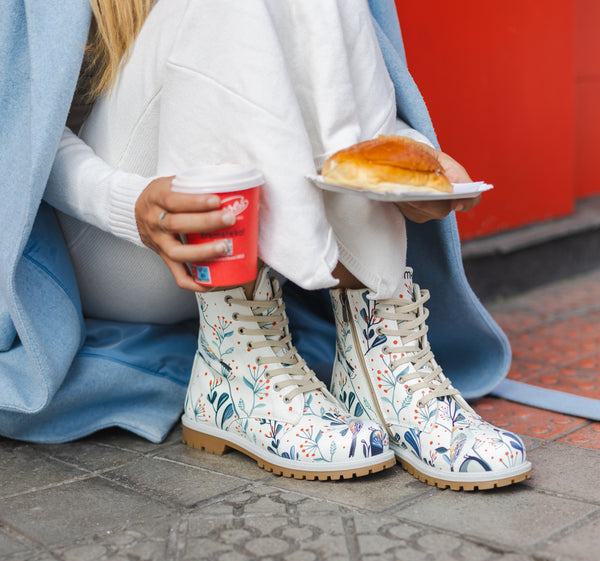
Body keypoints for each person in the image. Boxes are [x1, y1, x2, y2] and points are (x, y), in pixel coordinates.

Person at [0, 0, 531, 489]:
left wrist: (408, 159)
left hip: (236, 239)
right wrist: (126, 203)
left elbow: (327, 82)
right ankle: (237, 357)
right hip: (120, 240)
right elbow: (20, 121)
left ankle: (379, 349)